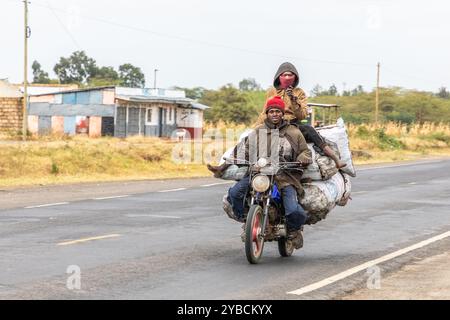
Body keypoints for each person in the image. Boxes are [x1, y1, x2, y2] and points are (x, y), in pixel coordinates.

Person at [224, 96, 312, 249]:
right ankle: (248, 221)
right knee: (235, 193)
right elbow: (244, 148)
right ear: (267, 113)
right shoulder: (258, 132)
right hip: (259, 175)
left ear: (282, 113)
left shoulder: (293, 132)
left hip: (285, 177)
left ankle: (293, 231)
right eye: (271, 111)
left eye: (278, 111)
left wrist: (303, 158)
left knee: (294, 210)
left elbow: (305, 151)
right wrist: (236, 158)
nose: (275, 114)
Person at [256, 62, 346, 169]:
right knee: (257, 136)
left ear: (295, 78)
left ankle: (335, 158)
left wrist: (294, 100)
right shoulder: (272, 92)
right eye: (285, 75)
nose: (287, 77)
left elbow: (302, 115)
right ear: (279, 77)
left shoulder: (299, 93)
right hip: (274, 124)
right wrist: (258, 126)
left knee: (310, 130)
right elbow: (264, 112)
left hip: (292, 124)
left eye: (290, 75)